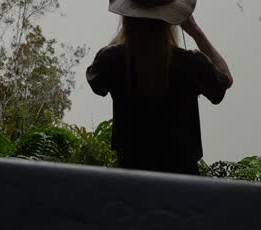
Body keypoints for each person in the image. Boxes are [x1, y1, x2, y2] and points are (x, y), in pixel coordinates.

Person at [87, 0, 233, 175]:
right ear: (170, 21)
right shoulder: (191, 63)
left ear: (127, 17)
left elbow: (97, 82)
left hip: (131, 181)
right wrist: (195, 31)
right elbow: (226, 79)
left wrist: (129, 30)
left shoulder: (111, 60)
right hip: (183, 185)